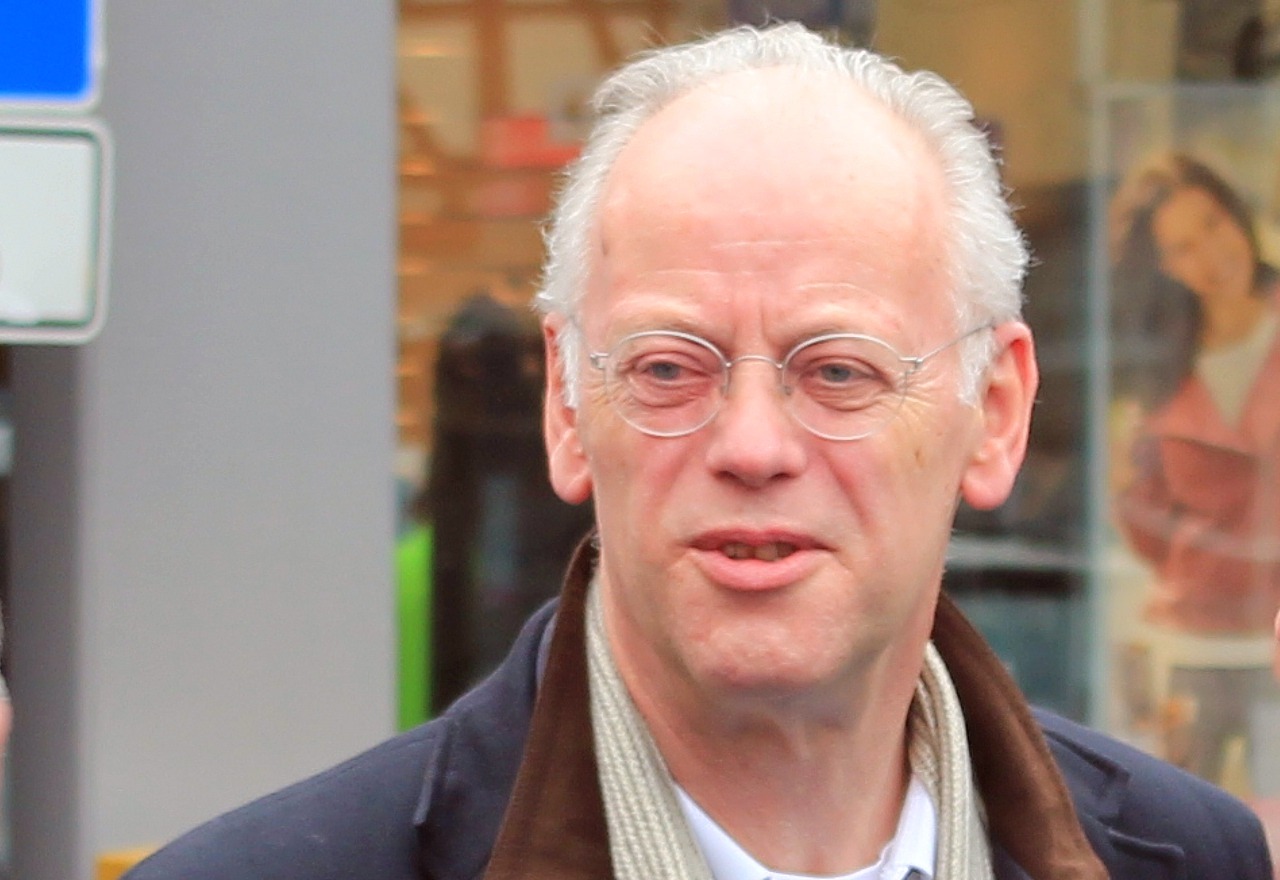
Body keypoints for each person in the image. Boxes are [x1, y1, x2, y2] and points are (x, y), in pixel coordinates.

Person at [125, 26, 1273, 880]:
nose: (752, 445)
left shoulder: (1189, 857)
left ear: (997, 411)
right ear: (566, 405)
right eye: (669, 367)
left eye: (837, 371)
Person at [1109, 152, 1280, 791]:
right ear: (1164, 267)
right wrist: (1125, 482)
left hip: (1275, 640)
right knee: (1184, 823)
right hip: (1192, 644)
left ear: (1238, 217)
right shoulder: (1162, 370)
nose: (1212, 254)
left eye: (1213, 224)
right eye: (1183, 247)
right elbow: (1150, 533)